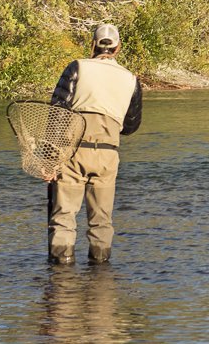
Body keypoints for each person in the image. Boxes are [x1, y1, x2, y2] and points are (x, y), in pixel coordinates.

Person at [46, 22, 143, 265]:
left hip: (73, 151)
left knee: (64, 218)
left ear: (93, 44)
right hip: (108, 155)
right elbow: (131, 126)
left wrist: (48, 157)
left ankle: (61, 278)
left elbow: (57, 111)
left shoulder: (77, 67)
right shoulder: (131, 80)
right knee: (102, 221)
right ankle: (101, 282)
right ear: (118, 48)